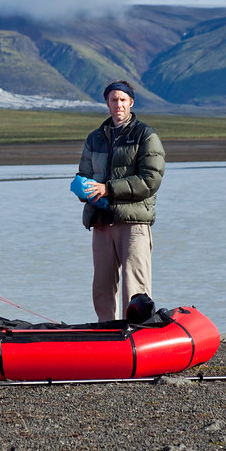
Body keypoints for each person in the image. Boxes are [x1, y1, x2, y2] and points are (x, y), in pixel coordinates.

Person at [76, 80, 165, 322]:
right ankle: (107, 331)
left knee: (134, 284)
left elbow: (150, 181)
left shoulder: (145, 135)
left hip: (133, 221)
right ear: (107, 103)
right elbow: (84, 173)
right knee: (102, 286)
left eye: (123, 100)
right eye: (113, 100)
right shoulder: (95, 138)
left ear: (131, 102)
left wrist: (108, 189)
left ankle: (137, 333)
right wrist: (82, 188)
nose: (118, 105)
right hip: (102, 220)